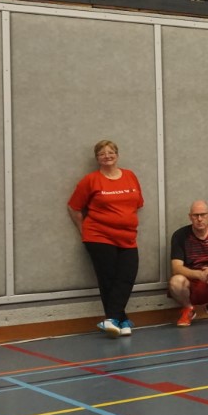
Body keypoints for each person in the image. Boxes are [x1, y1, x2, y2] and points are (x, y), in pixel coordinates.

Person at [68, 140, 144, 338]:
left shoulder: (130, 176)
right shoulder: (90, 180)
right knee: (108, 279)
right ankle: (117, 320)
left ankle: (115, 319)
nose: (107, 156)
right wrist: (84, 231)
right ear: (97, 158)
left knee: (127, 277)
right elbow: (74, 207)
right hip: (99, 237)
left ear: (117, 155)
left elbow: (137, 204)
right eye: (102, 154)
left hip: (128, 237)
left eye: (111, 152)